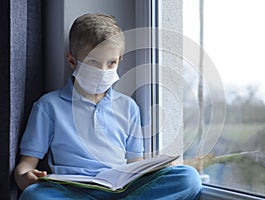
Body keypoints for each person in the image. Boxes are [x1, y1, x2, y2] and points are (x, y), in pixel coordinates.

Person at [14, 13, 202, 199]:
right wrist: (26, 178)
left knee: (189, 178)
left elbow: (135, 163)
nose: (103, 71)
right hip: (72, 192)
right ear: (72, 61)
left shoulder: (128, 107)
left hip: (120, 190)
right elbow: (26, 165)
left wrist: (153, 169)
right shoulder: (48, 106)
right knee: (33, 195)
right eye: (93, 63)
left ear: (119, 61)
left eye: (111, 63)